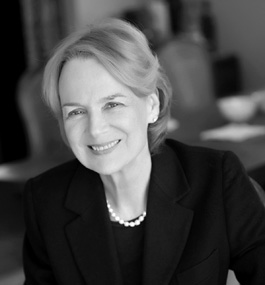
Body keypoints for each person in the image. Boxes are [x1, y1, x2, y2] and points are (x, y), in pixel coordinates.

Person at [22, 17, 265, 285]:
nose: (96, 129)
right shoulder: (45, 201)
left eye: (112, 104)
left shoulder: (217, 180)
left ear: (151, 105)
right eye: (76, 112)